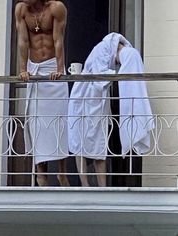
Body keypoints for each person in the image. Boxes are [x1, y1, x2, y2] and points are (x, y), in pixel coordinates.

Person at [68, 32, 154, 187]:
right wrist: (116, 75)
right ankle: (85, 185)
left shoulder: (115, 51)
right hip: (83, 97)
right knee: (79, 142)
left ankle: (102, 186)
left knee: (99, 144)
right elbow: (99, 77)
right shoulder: (102, 49)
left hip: (98, 102)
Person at [15, 0, 70, 186]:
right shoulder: (22, 9)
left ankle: (62, 173)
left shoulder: (56, 8)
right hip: (34, 68)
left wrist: (59, 68)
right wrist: (23, 68)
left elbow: (58, 39)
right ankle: (41, 174)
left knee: (59, 120)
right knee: (37, 122)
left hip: (52, 65)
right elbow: (23, 40)